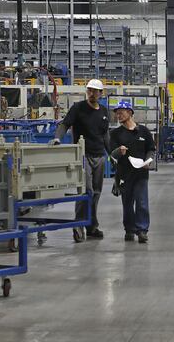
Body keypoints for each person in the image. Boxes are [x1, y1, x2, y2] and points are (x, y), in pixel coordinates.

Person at [51, 79, 110, 239]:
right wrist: (58, 138)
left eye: (95, 91)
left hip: (99, 156)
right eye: (89, 90)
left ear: (100, 93)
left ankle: (91, 226)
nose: (91, 93)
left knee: (96, 192)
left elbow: (105, 135)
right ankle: (78, 226)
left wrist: (112, 153)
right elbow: (64, 124)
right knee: (86, 191)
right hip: (83, 155)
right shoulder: (78, 108)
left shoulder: (104, 111)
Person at [109, 101, 156, 243]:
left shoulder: (143, 131)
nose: (118, 115)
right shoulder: (115, 134)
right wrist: (119, 151)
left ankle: (142, 230)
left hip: (141, 173)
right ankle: (129, 229)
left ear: (130, 112)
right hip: (124, 174)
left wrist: (148, 160)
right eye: (117, 112)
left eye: (121, 111)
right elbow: (111, 154)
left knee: (142, 202)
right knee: (127, 203)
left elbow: (151, 149)